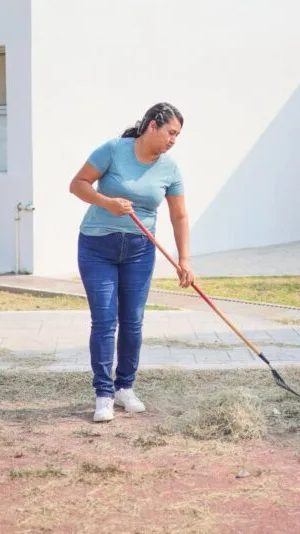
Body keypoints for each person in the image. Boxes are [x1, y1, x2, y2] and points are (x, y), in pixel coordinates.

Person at [69, 102, 195, 423]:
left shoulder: (170, 168)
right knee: (104, 320)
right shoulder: (113, 150)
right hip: (97, 246)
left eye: (177, 135)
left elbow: (179, 215)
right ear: (152, 125)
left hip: (140, 250)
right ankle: (103, 394)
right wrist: (107, 203)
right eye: (170, 132)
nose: (173, 140)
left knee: (133, 321)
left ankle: (125, 387)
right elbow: (78, 184)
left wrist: (184, 260)